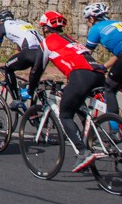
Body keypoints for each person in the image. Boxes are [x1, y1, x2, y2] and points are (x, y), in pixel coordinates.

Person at [39, 10, 108, 172]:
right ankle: (91, 138)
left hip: (81, 76)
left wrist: (31, 87)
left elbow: (37, 69)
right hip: (98, 74)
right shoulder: (71, 40)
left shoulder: (48, 42)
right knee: (75, 101)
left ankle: (83, 152)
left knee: (65, 113)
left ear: (46, 29)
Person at [0, 9, 46, 110]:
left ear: (0, 21)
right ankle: (33, 104)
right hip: (44, 51)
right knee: (33, 78)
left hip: (30, 52)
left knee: (8, 67)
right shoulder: (22, 23)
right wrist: (13, 60)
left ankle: (16, 100)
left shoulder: (2, 26)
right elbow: (19, 50)